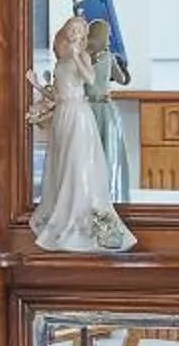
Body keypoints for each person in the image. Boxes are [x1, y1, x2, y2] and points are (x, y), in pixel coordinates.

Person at [30, 13, 136, 252]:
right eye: (72, 31)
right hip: (63, 115)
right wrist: (36, 84)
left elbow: (88, 78)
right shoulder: (60, 63)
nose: (75, 35)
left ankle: (83, 215)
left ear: (84, 36)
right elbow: (56, 95)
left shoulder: (84, 57)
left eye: (79, 31)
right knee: (61, 163)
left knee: (78, 163)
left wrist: (78, 57)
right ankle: (62, 212)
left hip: (79, 114)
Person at [84, 17, 138, 206]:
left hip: (87, 109)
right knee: (108, 153)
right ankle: (105, 192)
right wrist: (123, 66)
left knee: (87, 153)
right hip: (105, 110)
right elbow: (123, 79)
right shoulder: (108, 57)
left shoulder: (83, 57)